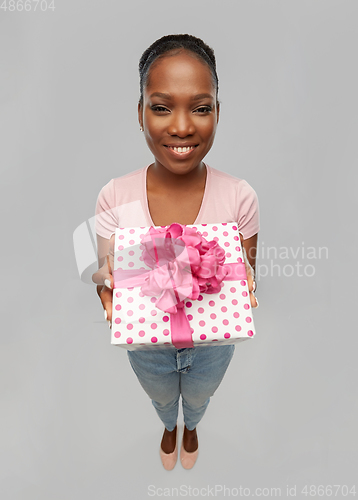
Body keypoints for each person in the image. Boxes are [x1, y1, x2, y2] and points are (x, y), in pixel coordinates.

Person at [92, 34, 259, 471]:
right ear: (140, 113)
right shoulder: (114, 195)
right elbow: (104, 273)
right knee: (161, 395)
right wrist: (106, 295)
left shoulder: (240, 196)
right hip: (145, 344)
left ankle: (192, 425)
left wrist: (249, 286)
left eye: (201, 108)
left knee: (200, 395)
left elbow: (247, 271)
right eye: (161, 107)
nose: (182, 127)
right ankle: (169, 425)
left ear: (218, 113)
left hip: (214, 343)